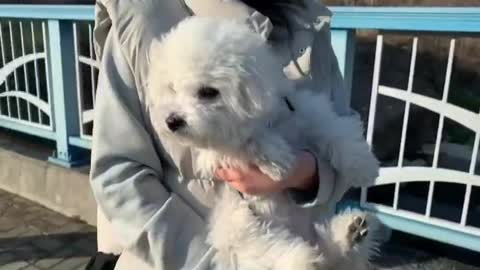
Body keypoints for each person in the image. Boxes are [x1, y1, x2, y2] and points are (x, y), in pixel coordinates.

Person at [89, 0, 358, 269]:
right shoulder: (143, 17)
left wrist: (307, 173)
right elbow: (118, 174)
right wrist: (214, 262)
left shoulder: (306, 19)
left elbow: (350, 150)